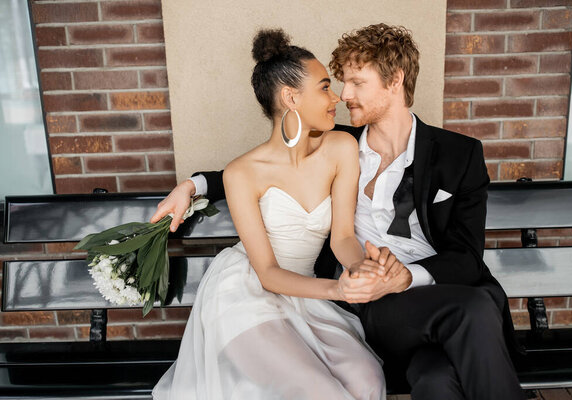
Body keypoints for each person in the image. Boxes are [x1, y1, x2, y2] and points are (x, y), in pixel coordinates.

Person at [155, 24, 525, 399]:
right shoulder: (340, 142)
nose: (344, 95)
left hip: (429, 293)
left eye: (355, 83)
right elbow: (259, 169)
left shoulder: (458, 154)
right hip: (371, 305)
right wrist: (194, 185)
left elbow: (466, 258)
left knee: (437, 382)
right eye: (336, 83)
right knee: (474, 309)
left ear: (394, 80)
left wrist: (404, 277)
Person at [152, 29, 386, 400]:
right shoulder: (242, 172)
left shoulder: (342, 148)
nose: (337, 97)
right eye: (325, 87)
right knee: (318, 392)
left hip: (309, 295)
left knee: (368, 381)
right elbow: (268, 273)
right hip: (247, 292)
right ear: (291, 97)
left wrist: (360, 270)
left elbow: (342, 236)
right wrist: (337, 289)